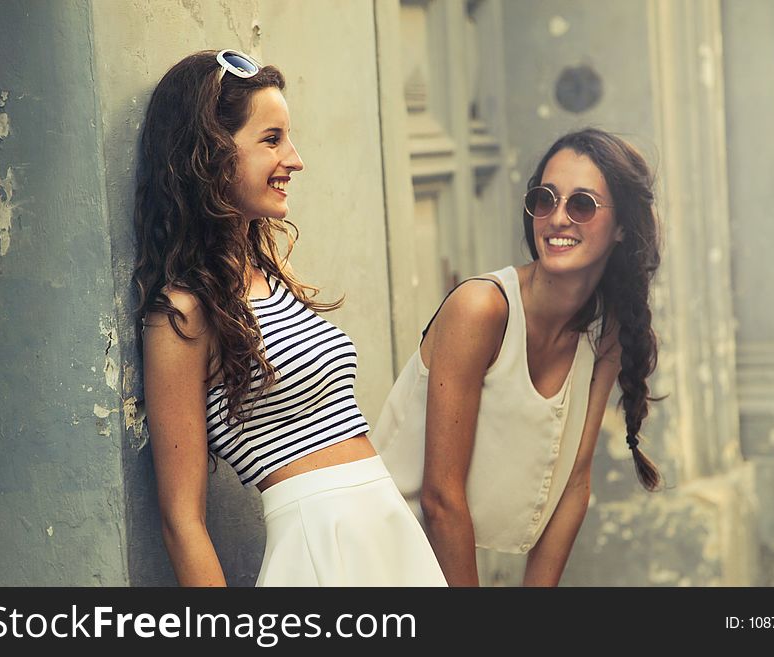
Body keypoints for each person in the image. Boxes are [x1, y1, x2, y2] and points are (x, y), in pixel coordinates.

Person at [134, 49, 446, 587]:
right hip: (318, 547)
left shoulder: (270, 276)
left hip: (388, 531)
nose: (295, 159)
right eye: (271, 139)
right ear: (209, 153)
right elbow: (182, 521)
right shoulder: (182, 315)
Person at [372, 128, 662, 586]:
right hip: (380, 559)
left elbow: (574, 485)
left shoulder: (606, 333)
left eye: (582, 204)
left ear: (622, 226)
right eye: (545, 199)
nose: (558, 218)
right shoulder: (481, 308)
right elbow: (441, 498)